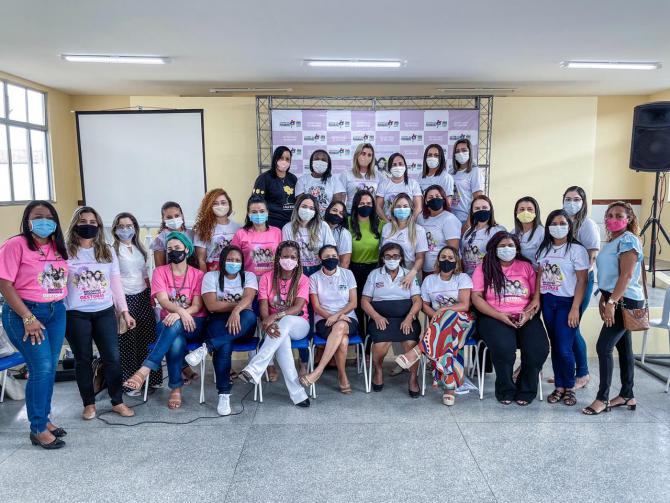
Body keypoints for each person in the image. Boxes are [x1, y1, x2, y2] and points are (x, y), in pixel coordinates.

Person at [0, 201, 69, 448]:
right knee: (40, 368)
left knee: (49, 368)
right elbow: (4, 284)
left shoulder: (57, 246)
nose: (45, 221)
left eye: (50, 217)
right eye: (38, 216)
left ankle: (44, 418)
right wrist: (28, 317)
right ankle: (38, 428)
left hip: (55, 311)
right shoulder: (15, 245)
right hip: (25, 314)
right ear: (28, 220)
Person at [64, 206, 135, 419]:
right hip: (76, 313)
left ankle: (117, 401)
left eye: (92, 222)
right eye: (83, 221)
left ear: (98, 225)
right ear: (75, 224)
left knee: (112, 357)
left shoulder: (106, 250)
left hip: (104, 311)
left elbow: (115, 283)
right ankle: (89, 404)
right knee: (83, 359)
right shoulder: (65, 251)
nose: (88, 225)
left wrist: (124, 311)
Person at [123, 232, 206, 409]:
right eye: (170, 249)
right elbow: (163, 301)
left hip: (194, 323)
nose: (173, 251)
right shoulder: (160, 272)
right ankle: (175, 388)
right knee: (175, 341)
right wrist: (179, 312)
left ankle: (145, 370)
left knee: (175, 324)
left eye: (177, 248)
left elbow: (197, 305)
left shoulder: (198, 275)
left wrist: (181, 313)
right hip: (168, 325)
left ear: (186, 249)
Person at [471, 231, 549, 405]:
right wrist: (499, 315)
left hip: (524, 315)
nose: (507, 249)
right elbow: (476, 297)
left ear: (517, 248)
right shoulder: (483, 268)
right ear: (494, 249)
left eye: (511, 246)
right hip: (493, 316)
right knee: (504, 348)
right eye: (502, 246)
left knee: (538, 349)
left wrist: (528, 314)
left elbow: (536, 296)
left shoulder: (526, 267)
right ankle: (505, 389)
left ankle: (526, 387)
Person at [583, 202, 644, 416]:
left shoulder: (628, 239)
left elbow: (626, 276)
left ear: (628, 219)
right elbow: (608, 275)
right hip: (612, 297)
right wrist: (603, 297)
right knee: (623, 348)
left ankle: (602, 398)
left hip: (624, 300)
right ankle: (627, 394)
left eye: (618, 215)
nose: (612, 218)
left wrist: (612, 302)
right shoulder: (611, 241)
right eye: (609, 215)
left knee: (603, 346)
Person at [395, 245, 474, 406]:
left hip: (463, 321)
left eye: (451, 258)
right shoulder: (430, 280)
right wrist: (437, 316)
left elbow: (465, 305)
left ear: (456, 261)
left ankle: (418, 351)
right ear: (438, 260)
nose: (447, 260)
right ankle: (449, 388)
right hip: (440, 327)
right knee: (446, 342)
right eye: (443, 257)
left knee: (448, 315)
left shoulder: (463, 278)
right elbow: (424, 305)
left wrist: (443, 311)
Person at [184, 245, 258, 416]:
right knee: (225, 344)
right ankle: (224, 394)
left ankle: (207, 347)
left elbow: (249, 298)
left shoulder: (249, 276)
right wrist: (237, 307)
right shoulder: (211, 276)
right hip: (218, 321)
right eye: (230, 260)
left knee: (250, 317)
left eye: (237, 260)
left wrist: (237, 311)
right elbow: (211, 305)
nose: (234, 263)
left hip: (244, 323)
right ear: (223, 260)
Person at [237, 241, 311, 407]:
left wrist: (274, 317)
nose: (289, 260)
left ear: (298, 260)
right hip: (276, 328)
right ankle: (297, 394)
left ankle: (255, 367)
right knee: (281, 339)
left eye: (293, 257)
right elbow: (263, 306)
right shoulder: (266, 278)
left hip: (299, 324)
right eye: (285, 256)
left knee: (286, 321)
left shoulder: (303, 279)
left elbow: (298, 307)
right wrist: (267, 322)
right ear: (278, 257)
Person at [536, 210, 589, 406]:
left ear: (569, 226)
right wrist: (537, 300)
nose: (558, 227)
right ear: (548, 227)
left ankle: (570, 387)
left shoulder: (576, 250)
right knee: (555, 346)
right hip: (548, 302)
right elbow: (540, 277)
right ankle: (559, 386)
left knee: (565, 348)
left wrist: (576, 308)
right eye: (554, 223)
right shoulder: (544, 249)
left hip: (567, 303)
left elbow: (582, 281)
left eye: (562, 223)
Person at [231, 195, 283, 381]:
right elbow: (233, 258)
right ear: (248, 214)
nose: (258, 215)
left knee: (269, 322)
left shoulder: (277, 232)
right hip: (250, 285)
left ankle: (269, 363)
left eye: (262, 211)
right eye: (254, 212)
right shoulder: (241, 234)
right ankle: (256, 365)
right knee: (254, 324)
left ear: (268, 213)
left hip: (273, 285)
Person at [361, 243, 422, 396]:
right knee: (381, 344)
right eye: (388, 256)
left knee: (411, 343)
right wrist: (376, 316)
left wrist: (409, 317)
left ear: (401, 258)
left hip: (405, 319)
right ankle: (378, 370)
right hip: (381, 319)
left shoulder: (408, 274)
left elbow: (417, 300)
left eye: (395, 256)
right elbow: (364, 301)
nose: (392, 259)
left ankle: (413, 377)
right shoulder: (374, 274)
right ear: (383, 258)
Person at [111, 212, 161, 395]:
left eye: (129, 226)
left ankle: (152, 379)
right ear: (115, 229)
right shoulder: (112, 250)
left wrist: (151, 296)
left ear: (135, 228)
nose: (126, 229)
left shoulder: (140, 247)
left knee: (148, 337)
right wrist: (120, 308)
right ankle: (129, 382)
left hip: (143, 295)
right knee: (128, 341)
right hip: (125, 297)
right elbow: (113, 279)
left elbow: (145, 274)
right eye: (122, 226)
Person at [299, 245, 358, 393]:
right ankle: (342, 375)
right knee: (343, 340)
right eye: (326, 257)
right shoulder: (314, 278)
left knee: (340, 327)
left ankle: (318, 371)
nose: (330, 259)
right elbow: (316, 307)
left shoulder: (347, 274)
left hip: (348, 318)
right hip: (323, 320)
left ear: (338, 257)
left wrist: (337, 316)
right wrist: (331, 317)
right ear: (320, 259)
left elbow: (353, 303)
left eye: (333, 256)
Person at [562, 186, 600, 389]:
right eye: (567, 199)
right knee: (566, 327)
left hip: (582, 281)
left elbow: (592, 255)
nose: (571, 203)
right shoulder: (564, 222)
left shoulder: (587, 225)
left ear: (583, 202)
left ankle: (583, 373)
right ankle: (569, 373)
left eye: (576, 199)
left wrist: (581, 277)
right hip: (565, 282)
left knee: (572, 325)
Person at [349, 190, 382, 340]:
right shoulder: (348, 223)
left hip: (373, 270)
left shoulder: (380, 224)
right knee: (357, 309)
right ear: (356, 204)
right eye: (362, 203)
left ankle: (369, 348)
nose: (365, 206)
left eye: (369, 203)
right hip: (353, 270)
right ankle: (359, 346)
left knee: (371, 309)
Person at [380, 193, 428, 287]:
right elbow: (382, 252)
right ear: (393, 210)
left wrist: (411, 274)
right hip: (388, 273)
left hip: (409, 274)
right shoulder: (386, 228)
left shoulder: (419, 230)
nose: (402, 209)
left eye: (405, 206)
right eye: (398, 206)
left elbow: (420, 258)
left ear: (411, 209)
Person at [193, 189, 240, 272]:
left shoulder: (238, 228)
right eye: (215, 203)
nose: (220, 206)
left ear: (229, 204)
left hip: (234, 271)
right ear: (209, 206)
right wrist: (205, 279)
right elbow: (201, 260)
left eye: (223, 202)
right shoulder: (203, 229)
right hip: (213, 271)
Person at [418, 185, 461, 274]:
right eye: (430, 197)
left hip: (442, 270)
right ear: (425, 201)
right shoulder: (420, 218)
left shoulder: (449, 219)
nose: (434, 199)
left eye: (437, 196)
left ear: (443, 199)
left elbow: (453, 250)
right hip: (424, 269)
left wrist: (444, 270)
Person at [252, 146, 296, 229]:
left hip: (290, 224)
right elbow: (256, 202)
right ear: (275, 159)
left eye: (287, 159)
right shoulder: (264, 178)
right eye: (281, 158)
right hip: (271, 224)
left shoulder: (293, 179)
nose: (284, 161)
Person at [461, 195, 506, 275]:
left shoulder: (498, 230)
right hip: (469, 279)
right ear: (472, 212)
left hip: (487, 278)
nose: (481, 210)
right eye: (477, 208)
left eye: (484, 207)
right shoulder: (468, 232)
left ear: (490, 209)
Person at [375, 152, 422, 220]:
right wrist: (387, 222)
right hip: (389, 224)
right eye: (394, 165)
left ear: (405, 166)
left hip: (409, 225)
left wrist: (410, 223)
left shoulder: (413, 184)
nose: (397, 167)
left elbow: (418, 207)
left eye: (400, 164)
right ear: (389, 168)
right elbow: (378, 207)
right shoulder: (383, 185)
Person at [333, 143, 379, 212]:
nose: (366, 157)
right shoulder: (346, 174)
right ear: (357, 155)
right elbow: (340, 200)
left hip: (371, 215)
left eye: (369, 155)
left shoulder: (378, 175)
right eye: (363, 153)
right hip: (351, 214)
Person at [448, 138, 484, 224]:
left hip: (466, 218)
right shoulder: (451, 172)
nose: (460, 153)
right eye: (457, 151)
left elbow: (477, 199)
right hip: (450, 217)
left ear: (470, 152)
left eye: (464, 150)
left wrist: (469, 221)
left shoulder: (475, 171)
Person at [150, 201, 194, 267]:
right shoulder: (160, 239)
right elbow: (159, 267)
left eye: (177, 216)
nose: (174, 219)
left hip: (192, 274)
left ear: (182, 215)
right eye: (169, 217)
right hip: (170, 275)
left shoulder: (192, 234)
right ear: (163, 219)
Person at [296, 149, 337, 215]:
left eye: (323, 160)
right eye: (316, 159)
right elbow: (301, 204)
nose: (320, 161)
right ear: (311, 162)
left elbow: (337, 205)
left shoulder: (334, 180)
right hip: (308, 218)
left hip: (327, 219)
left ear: (328, 164)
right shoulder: (302, 180)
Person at [513, 196, 544, 268]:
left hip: (534, 274)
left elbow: (544, 262)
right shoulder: (513, 232)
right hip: (517, 275)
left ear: (536, 212)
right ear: (516, 212)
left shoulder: (542, 233)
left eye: (529, 209)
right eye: (522, 209)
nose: (525, 212)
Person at [324, 200, 352, 268]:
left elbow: (345, 262)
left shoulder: (344, 233)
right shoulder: (318, 227)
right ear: (328, 210)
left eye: (341, 213)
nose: (337, 214)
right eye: (334, 210)